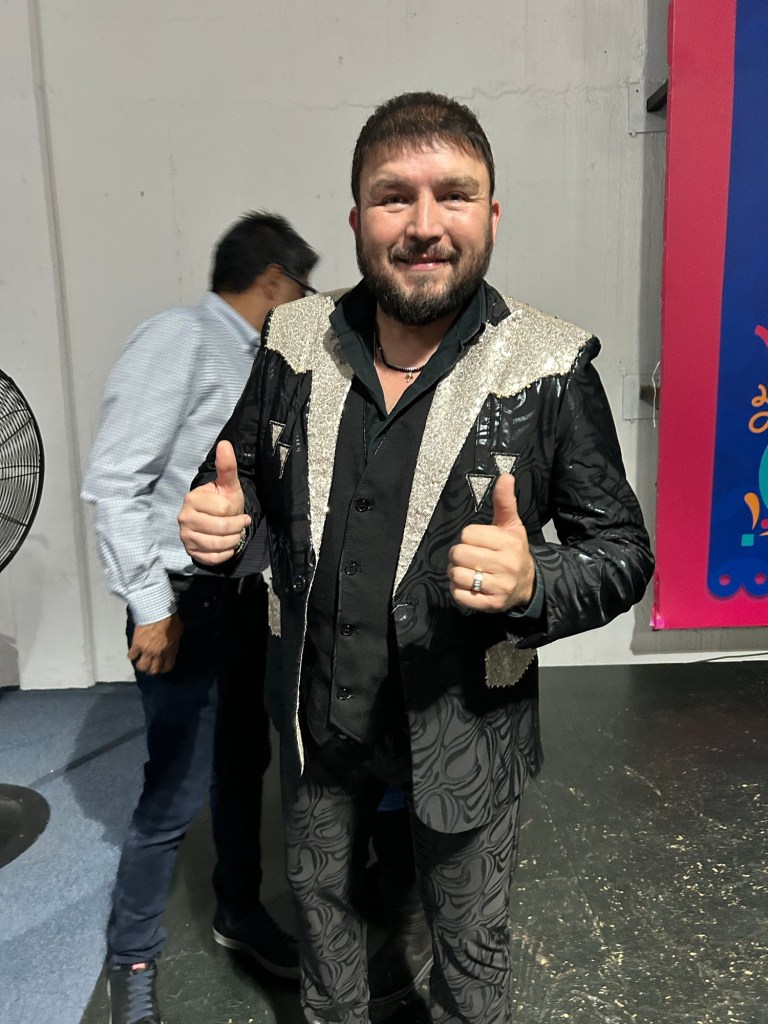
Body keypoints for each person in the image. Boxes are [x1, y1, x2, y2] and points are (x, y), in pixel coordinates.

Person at [178, 93, 655, 1024]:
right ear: (357, 218)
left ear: (492, 214)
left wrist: (536, 582)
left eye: (454, 195)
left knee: (470, 963)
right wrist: (219, 525)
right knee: (325, 931)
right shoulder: (292, 342)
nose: (425, 225)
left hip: (464, 730)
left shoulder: (549, 368)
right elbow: (238, 483)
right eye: (394, 197)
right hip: (320, 719)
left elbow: (623, 552)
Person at [82, 212, 318, 1024]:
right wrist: (151, 608)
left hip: (241, 601)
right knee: (174, 793)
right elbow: (116, 481)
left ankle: (238, 911)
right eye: (303, 287)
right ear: (276, 281)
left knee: (242, 764)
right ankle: (132, 957)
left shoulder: (260, 361)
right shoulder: (179, 338)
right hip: (181, 607)